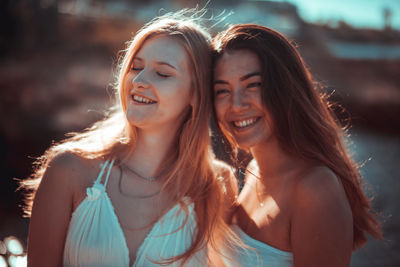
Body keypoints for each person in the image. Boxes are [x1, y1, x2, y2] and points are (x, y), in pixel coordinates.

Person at [22, 10, 237, 267]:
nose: (139, 80)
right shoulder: (69, 170)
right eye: (136, 67)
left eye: (163, 74)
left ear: (196, 94)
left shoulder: (215, 186)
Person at [212, 24, 382, 267]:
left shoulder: (315, 189)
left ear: (286, 89)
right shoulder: (253, 173)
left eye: (253, 85)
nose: (236, 104)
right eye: (222, 91)